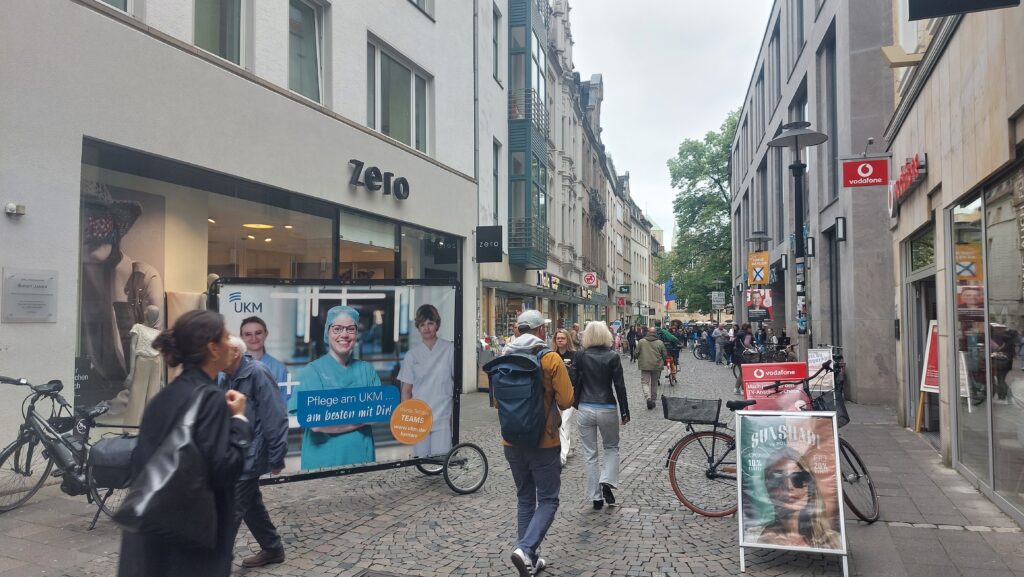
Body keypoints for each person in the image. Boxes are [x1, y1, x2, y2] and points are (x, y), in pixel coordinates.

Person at [117, 310, 251, 577]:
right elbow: (225, 469)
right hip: (191, 541)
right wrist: (239, 421)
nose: (231, 341)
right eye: (226, 337)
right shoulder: (211, 399)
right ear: (213, 349)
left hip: (152, 534)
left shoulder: (164, 397)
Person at [502, 310, 574, 577]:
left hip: (510, 440)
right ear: (541, 331)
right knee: (548, 499)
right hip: (544, 440)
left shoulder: (505, 356)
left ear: (519, 330)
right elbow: (566, 401)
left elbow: (499, 401)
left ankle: (529, 558)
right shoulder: (551, 358)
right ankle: (525, 548)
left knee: (524, 498)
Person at [80, 181, 164, 403]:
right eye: (83, 220)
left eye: (98, 219)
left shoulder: (143, 277)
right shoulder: (75, 284)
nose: (90, 228)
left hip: (127, 398)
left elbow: (154, 347)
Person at [221, 337, 289, 569]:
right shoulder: (225, 376)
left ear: (235, 353)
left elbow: (275, 416)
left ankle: (214, 564)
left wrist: (277, 456)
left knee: (231, 508)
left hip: (251, 452)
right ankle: (272, 549)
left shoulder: (257, 373)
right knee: (250, 504)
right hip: (235, 450)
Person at [288, 306, 382, 469]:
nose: (344, 335)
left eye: (350, 329)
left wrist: (334, 417)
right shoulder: (312, 372)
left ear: (356, 333)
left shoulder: (366, 370)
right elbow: (316, 424)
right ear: (327, 332)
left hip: (362, 458)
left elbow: (376, 414)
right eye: (337, 328)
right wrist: (358, 419)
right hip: (322, 462)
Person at [571, 322, 630, 510]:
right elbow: (619, 386)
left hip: (585, 407)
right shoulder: (613, 356)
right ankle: (606, 480)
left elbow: (573, 380)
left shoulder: (580, 355)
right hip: (607, 407)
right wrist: (625, 411)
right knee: (611, 447)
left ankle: (596, 497)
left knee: (590, 454)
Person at [745, 447, 841, 550]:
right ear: (768, 486)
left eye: (797, 478)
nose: (789, 486)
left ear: (809, 485)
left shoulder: (834, 540)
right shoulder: (753, 538)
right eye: (778, 478)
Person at [399, 304, 455, 457]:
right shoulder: (412, 355)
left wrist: (453, 416)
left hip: (443, 413)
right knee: (421, 456)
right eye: (422, 324)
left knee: (441, 456)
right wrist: (407, 418)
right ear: (418, 327)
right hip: (419, 415)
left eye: (430, 323)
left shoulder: (449, 349)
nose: (426, 328)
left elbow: (455, 382)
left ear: (437, 324)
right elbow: (406, 390)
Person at [553, 328, 577, 467]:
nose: (560, 340)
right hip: (556, 393)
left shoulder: (574, 355)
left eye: (562, 338)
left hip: (570, 392)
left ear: (567, 339)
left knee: (565, 421)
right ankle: (570, 445)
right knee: (559, 420)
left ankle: (562, 455)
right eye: (558, 338)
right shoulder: (552, 355)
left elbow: (579, 373)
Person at [239, 316, 288, 383]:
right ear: (241, 337)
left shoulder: (279, 368)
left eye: (258, 333)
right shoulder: (231, 368)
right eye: (248, 334)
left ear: (266, 333)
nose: (254, 338)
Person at [635, 326, 667, 410]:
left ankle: (648, 398)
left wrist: (639, 358)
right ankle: (653, 400)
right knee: (654, 383)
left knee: (645, 383)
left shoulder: (641, 341)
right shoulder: (660, 342)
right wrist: (663, 361)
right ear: (655, 333)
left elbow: (636, 353)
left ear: (648, 332)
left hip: (645, 365)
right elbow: (664, 355)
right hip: (656, 365)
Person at [734, 323, 754, 395]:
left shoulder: (739, 333)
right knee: (744, 373)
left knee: (741, 372)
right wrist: (753, 348)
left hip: (737, 355)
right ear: (748, 328)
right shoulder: (747, 334)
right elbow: (747, 343)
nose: (751, 329)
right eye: (750, 328)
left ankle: (736, 389)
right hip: (744, 356)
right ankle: (743, 389)